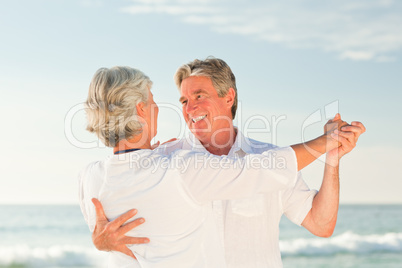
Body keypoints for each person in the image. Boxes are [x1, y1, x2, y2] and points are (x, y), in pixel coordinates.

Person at [87, 59, 366, 267]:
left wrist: (331, 160)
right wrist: (100, 241)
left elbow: (321, 224)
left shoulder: (273, 159)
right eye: (184, 100)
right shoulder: (164, 161)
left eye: (199, 96)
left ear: (228, 97)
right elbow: (116, 192)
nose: (189, 108)